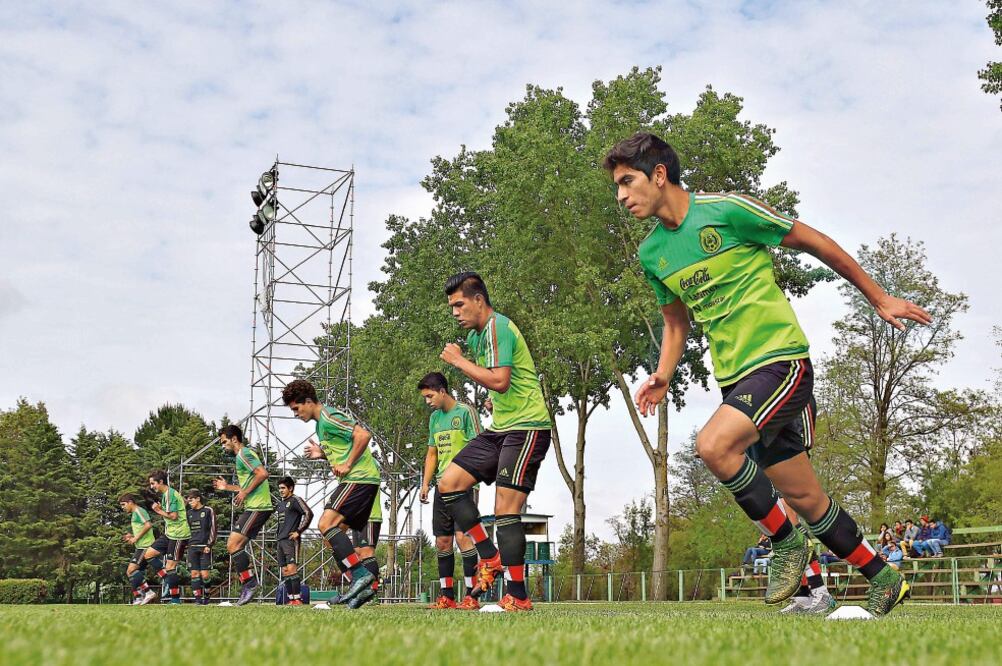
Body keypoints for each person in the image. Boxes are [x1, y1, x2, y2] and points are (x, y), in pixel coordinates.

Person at [605, 132, 931, 616]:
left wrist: (878, 296)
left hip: (780, 362)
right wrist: (663, 374)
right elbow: (676, 320)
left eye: (627, 182)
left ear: (658, 174)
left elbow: (813, 241)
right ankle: (882, 576)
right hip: (736, 379)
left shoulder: (728, 210)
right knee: (804, 495)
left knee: (714, 446)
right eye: (617, 187)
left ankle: (786, 544)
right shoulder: (652, 254)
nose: (622, 196)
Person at [436, 272, 554, 612]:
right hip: (501, 428)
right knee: (449, 484)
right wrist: (492, 400)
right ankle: (490, 556)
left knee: (505, 510)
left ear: (478, 300)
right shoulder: (478, 337)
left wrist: (459, 362)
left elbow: (500, 380)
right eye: (451, 307)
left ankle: (518, 595)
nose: (455, 312)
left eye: (459, 304)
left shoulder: (498, 326)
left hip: (527, 428)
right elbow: (503, 383)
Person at [282, 379, 382, 609]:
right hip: (357, 478)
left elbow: (363, 436)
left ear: (308, 401)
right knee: (331, 539)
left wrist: (346, 464)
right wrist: (323, 454)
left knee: (326, 523)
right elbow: (343, 447)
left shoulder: (328, 417)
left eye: (297, 408)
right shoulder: (320, 426)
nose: (296, 414)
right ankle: (360, 590)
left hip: (359, 477)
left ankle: (360, 576)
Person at [418, 371, 484, 610]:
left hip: (464, 485)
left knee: (463, 537)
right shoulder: (434, 419)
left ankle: (472, 595)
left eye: (429, 396)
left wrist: (473, 477)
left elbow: (481, 447)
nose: (428, 401)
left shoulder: (466, 413)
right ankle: (446, 596)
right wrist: (425, 483)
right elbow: (432, 453)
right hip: (441, 487)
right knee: (443, 541)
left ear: (442, 391)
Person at [213, 424, 274, 606]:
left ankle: (250, 584)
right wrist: (228, 488)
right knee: (233, 545)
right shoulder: (242, 456)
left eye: (224, 442)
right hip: (255, 506)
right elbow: (248, 484)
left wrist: (245, 493)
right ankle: (250, 584)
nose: (223, 446)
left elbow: (262, 474)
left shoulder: (243, 454)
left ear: (234, 439)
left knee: (233, 544)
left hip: (259, 506)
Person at [141, 470, 190, 604]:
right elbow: (184, 503)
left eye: (153, 483)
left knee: (170, 567)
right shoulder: (167, 494)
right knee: (148, 554)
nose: (152, 487)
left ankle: (175, 600)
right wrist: (161, 507)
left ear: (161, 482)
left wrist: (157, 510)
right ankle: (168, 579)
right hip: (170, 534)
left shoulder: (169, 494)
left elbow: (174, 516)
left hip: (179, 535)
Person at [275, 476, 313, 606]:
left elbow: (308, 513)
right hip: (280, 541)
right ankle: (291, 599)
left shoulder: (296, 500)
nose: (280, 490)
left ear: (290, 488)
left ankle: (298, 599)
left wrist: (299, 531)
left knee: (292, 569)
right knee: (285, 571)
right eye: (279, 488)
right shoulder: (280, 504)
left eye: (283, 488)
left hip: (291, 540)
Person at [119, 493, 160, 605]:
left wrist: (135, 537)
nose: (123, 507)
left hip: (145, 546)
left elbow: (148, 525)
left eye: (124, 504)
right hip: (141, 546)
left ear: (130, 502)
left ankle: (147, 592)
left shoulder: (138, 511)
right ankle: (139, 597)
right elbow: (142, 528)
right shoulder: (134, 514)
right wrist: (131, 536)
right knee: (132, 573)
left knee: (130, 570)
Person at [185, 489, 217, 605]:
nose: (190, 503)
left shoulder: (208, 511)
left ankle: (207, 594)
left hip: (204, 547)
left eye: (191, 500)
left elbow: (213, 528)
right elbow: (186, 529)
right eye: (188, 501)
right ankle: (198, 600)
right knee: (194, 574)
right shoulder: (188, 513)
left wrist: (209, 544)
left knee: (205, 575)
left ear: (198, 499)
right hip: (192, 547)